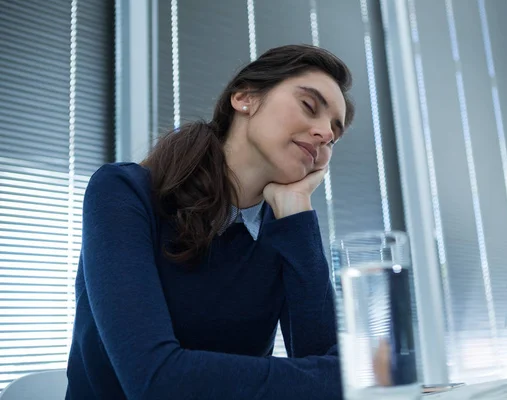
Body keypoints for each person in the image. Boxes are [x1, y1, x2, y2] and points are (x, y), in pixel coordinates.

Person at [65, 44, 355, 400]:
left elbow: (330, 367)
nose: (325, 134)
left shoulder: (285, 229)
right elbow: (155, 380)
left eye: (335, 135)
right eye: (309, 106)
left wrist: (296, 209)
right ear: (245, 97)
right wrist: (333, 379)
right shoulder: (123, 192)